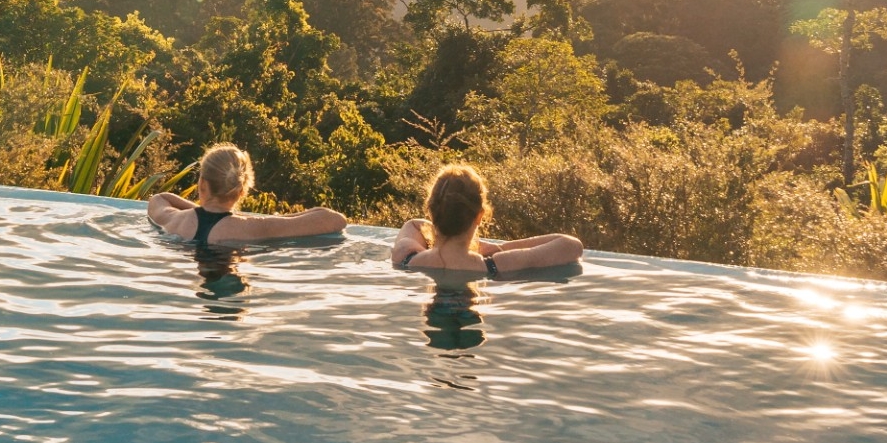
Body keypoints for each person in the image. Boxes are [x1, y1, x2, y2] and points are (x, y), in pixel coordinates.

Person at [391, 162, 582, 280]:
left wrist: (444, 236)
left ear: (432, 212)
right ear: (480, 216)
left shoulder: (405, 258)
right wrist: (499, 248)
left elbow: (414, 224)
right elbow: (572, 245)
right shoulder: (497, 265)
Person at [148, 143, 346, 251]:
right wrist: (271, 220)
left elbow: (159, 198)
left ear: (202, 184)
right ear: (242, 190)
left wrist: (203, 212)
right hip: (229, 286)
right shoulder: (253, 227)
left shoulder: (174, 220)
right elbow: (335, 220)